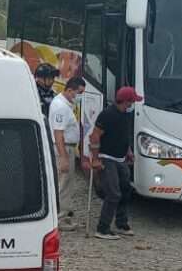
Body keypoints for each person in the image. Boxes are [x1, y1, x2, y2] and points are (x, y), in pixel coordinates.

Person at [89, 86, 139, 239]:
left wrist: (128, 151)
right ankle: (102, 228)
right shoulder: (107, 115)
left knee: (125, 189)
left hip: (120, 158)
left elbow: (123, 136)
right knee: (113, 194)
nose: (133, 104)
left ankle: (121, 223)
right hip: (107, 157)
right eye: (132, 101)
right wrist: (96, 159)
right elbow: (95, 136)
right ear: (126, 101)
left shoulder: (125, 115)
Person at [49, 76, 85, 228]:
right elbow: (58, 134)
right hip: (64, 148)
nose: (80, 96)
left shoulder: (65, 104)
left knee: (67, 183)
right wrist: (63, 157)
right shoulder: (61, 107)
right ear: (70, 90)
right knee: (63, 184)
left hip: (68, 147)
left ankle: (65, 214)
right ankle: (61, 219)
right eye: (79, 92)